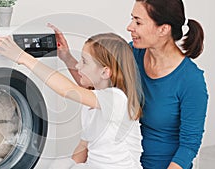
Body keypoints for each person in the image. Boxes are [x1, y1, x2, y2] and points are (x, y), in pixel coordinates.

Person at [48, 0, 209, 168]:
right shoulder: (132, 54)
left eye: (138, 22)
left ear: (163, 29)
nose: (130, 27)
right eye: (132, 19)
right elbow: (96, 90)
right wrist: (66, 57)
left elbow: (189, 146)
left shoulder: (191, 81)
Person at [0, 33, 144, 169]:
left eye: (84, 61)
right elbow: (83, 147)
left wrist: (23, 58)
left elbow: (68, 90)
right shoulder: (93, 103)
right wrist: (65, 57)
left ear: (105, 72)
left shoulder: (117, 99)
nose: (78, 66)